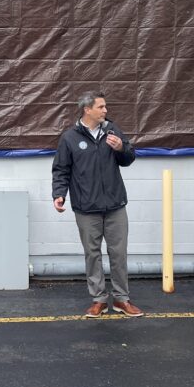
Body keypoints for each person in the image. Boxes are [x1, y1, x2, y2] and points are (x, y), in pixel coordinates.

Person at [52, 92, 144, 319]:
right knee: (92, 254)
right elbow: (61, 169)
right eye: (101, 107)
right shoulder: (70, 138)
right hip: (86, 208)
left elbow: (129, 158)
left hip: (115, 205)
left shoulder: (112, 131)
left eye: (105, 106)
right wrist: (59, 194)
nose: (105, 111)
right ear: (87, 109)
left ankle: (122, 299)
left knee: (119, 254)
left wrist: (121, 147)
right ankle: (99, 300)